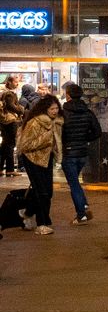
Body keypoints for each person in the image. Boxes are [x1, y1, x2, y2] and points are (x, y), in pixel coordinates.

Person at [15, 95, 63, 235]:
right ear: (45, 109)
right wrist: (46, 139)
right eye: (52, 108)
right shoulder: (35, 123)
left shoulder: (56, 123)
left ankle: (27, 212)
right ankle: (42, 223)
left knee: (48, 192)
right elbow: (25, 145)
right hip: (32, 159)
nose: (55, 111)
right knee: (42, 191)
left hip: (47, 160)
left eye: (56, 108)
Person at [60, 83, 102, 225]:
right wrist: (85, 138)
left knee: (73, 183)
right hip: (83, 153)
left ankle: (81, 213)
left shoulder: (63, 113)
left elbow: (59, 133)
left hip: (69, 152)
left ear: (68, 95)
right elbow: (97, 132)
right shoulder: (87, 112)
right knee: (75, 182)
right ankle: (83, 204)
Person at [0, 76, 25, 178]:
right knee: (10, 144)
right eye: (15, 82)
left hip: (5, 121)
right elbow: (11, 106)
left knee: (5, 145)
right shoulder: (9, 94)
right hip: (10, 121)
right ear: (9, 82)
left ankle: (1, 168)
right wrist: (21, 110)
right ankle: (10, 169)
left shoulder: (4, 92)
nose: (17, 84)